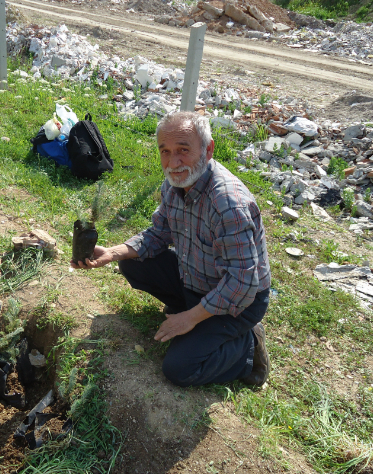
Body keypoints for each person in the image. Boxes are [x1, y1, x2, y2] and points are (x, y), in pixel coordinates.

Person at [71, 111, 271, 387]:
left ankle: (247, 348)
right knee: (131, 261)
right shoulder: (176, 184)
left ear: (208, 150)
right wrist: (114, 252)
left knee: (180, 368)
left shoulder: (228, 204)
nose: (173, 162)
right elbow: (159, 233)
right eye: (165, 151)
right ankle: (194, 313)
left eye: (183, 150)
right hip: (197, 279)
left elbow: (243, 282)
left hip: (238, 302)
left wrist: (190, 319)